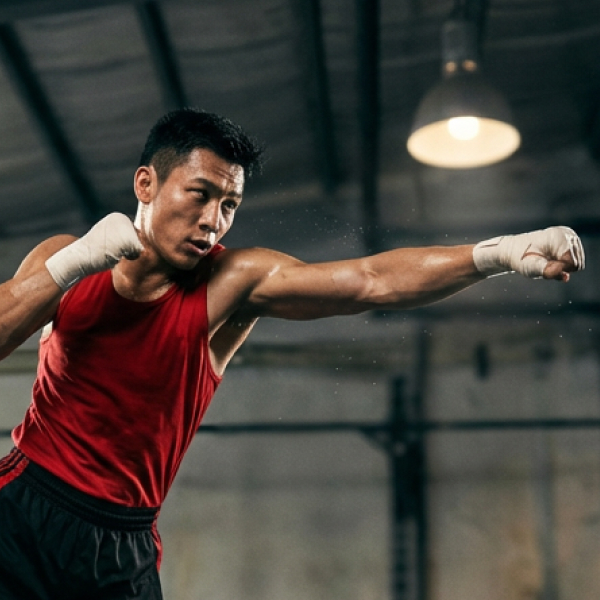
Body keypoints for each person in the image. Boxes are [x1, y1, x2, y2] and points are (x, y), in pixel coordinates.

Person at [0, 108, 585, 600]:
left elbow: (370, 281)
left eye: (229, 205)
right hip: (21, 508)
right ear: (146, 184)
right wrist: (71, 265)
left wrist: (497, 253)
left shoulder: (230, 282)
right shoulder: (64, 259)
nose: (212, 221)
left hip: (119, 546)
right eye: (199, 194)